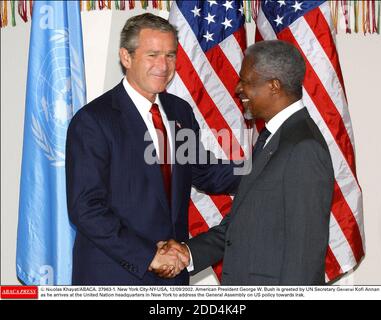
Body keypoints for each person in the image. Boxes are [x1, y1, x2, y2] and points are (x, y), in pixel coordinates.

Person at [65, 13, 240, 285]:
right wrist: (149, 256)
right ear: (126, 57)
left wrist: (264, 166)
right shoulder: (93, 120)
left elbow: (203, 172)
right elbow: (86, 208)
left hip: (172, 278)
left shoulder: (179, 111)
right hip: (115, 276)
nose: (163, 65)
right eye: (153, 55)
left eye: (170, 55)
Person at [157, 40, 335, 285]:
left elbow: (304, 254)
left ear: (274, 86)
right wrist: (189, 254)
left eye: (246, 81)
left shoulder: (303, 147)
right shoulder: (273, 138)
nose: (238, 89)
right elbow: (243, 224)